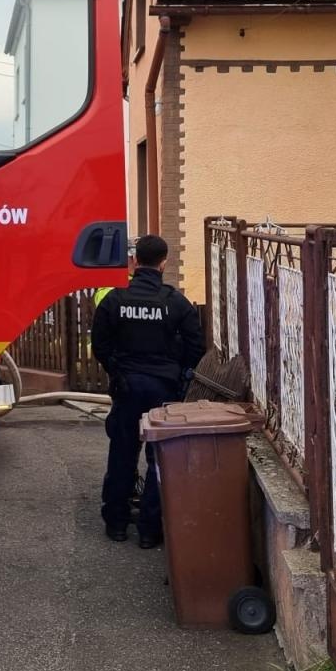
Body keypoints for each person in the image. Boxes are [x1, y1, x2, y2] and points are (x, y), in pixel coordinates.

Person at [90, 234, 205, 547]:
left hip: (127, 386)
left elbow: (99, 342)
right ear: (164, 262)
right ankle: (150, 530)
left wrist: (116, 369)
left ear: (135, 260)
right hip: (162, 389)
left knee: (123, 453)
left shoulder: (115, 298)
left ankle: (116, 523)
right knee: (159, 459)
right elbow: (197, 346)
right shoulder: (174, 301)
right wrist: (178, 373)